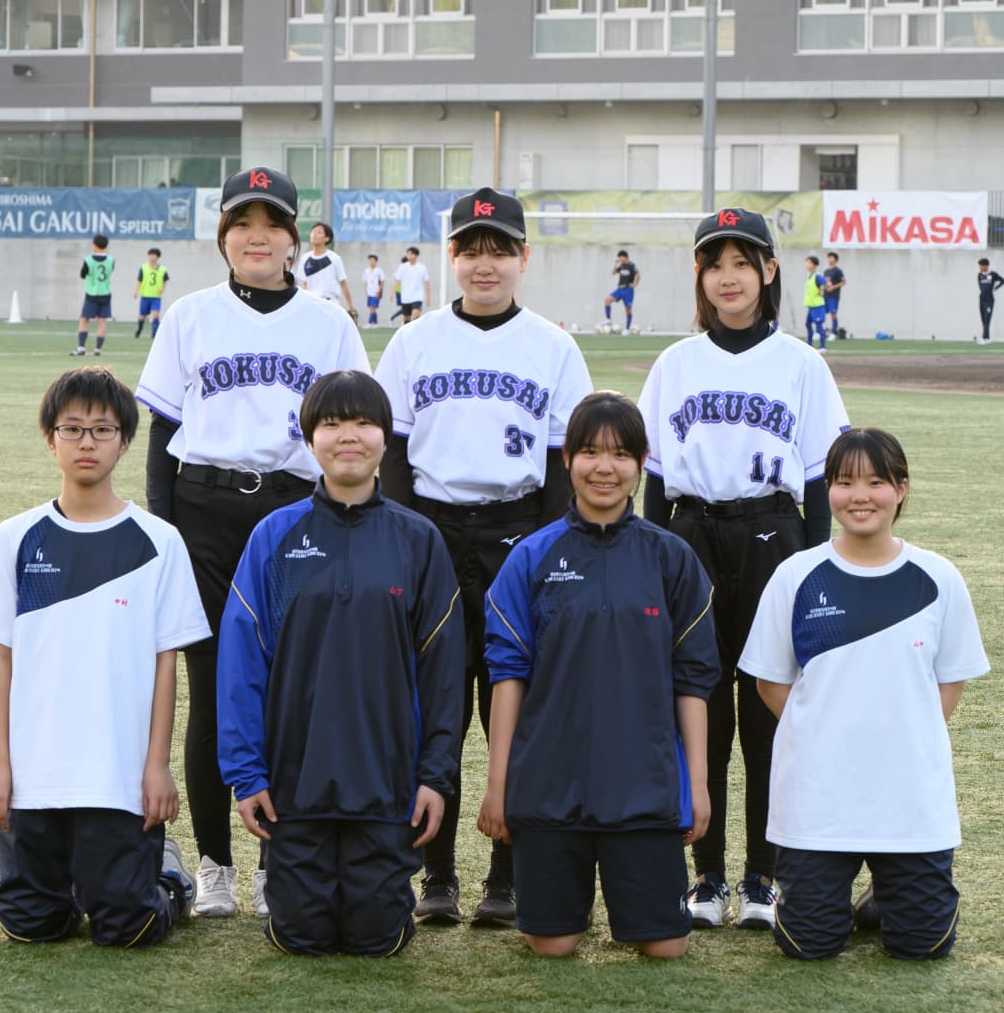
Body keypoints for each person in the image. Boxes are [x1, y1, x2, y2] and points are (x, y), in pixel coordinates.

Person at [136, 166, 371, 919]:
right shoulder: (190, 315)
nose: (257, 237)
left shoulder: (328, 323)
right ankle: (215, 864)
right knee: (212, 690)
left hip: (296, 513)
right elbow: (164, 434)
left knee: (292, 689)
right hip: (203, 510)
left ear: (295, 239)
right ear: (224, 237)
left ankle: (277, 862)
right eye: (242, 223)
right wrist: (168, 532)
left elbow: (356, 431)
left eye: (272, 224)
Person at [373, 188, 594, 927]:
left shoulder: (553, 347)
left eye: (500, 250)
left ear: (524, 258)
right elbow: (392, 450)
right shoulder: (414, 342)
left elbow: (564, 459)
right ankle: (435, 876)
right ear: (452, 257)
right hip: (432, 531)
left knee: (516, 707)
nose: (484, 263)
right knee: (433, 707)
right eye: (471, 249)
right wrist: (408, 536)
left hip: (517, 532)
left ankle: (507, 875)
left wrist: (545, 547)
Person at [637, 208, 851, 929]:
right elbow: (655, 479)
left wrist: (817, 567)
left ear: (768, 271)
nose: (728, 277)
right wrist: (653, 559)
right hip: (692, 533)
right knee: (698, 707)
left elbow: (818, 477)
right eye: (714, 264)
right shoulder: (676, 363)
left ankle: (763, 877)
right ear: (699, 276)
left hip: (772, 535)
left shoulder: (802, 363)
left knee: (767, 714)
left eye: (742, 262)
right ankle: (707, 878)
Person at [0, 367, 210, 947]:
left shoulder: (158, 542)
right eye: (72, 429)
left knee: (130, 927)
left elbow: (166, 666)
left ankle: (167, 875)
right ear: (51, 440)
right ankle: (75, 879)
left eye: (102, 429)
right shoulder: (15, 538)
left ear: (125, 441)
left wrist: (157, 766)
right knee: (30, 925)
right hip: (34, 776)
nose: (86, 442)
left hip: (116, 776)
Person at [216, 370, 463, 956]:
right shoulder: (274, 536)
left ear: (385, 437)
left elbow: (443, 672)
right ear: (309, 438)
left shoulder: (418, 539)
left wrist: (434, 776)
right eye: (331, 423)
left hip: (386, 784)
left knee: (378, 939)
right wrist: (248, 775)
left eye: (363, 422)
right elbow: (241, 664)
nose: (348, 436)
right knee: (300, 937)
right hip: (295, 784)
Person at [477, 392, 718, 958]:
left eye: (620, 454)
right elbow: (507, 677)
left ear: (642, 463)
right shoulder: (531, 557)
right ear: (566, 460)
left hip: (643, 786)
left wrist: (697, 786)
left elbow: (693, 681)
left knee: (666, 947)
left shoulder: (671, 557)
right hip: (550, 787)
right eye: (589, 452)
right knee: (552, 945)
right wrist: (498, 785)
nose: (604, 468)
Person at [738, 427, 989, 962]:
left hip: (908, 799)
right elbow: (770, 680)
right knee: (808, 946)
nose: (860, 496)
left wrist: (904, 734)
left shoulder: (937, 577)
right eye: (845, 481)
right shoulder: (796, 575)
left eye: (876, 482)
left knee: (924, 947)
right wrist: (821, 730)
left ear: (901, 489)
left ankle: (886, 892)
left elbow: (951, 681)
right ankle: (842, 889)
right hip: (818, 799)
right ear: (828, 488)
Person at [298, 222, 356, 320]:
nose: (314, 234)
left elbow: (343, 283)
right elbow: (304, 285)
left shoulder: (334, 258)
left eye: (319, 232)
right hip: (312, 305)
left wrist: (351, 307)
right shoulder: (305, 258)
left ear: (327, 238)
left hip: (331, 304)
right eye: (313, 231)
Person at [74, 234, 116, 357]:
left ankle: (81, 348)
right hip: (106, 294)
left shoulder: (88, 260)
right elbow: (110, 271)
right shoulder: (111, 260)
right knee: (102, 321)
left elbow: (82, 274)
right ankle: (97, 349)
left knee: (84, 320)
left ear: (94, 245)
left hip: (92, 294)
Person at [134, 248, 169, 340]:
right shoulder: (143, 267)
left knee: (155, 315)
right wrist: (136, 291)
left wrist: (162, 289)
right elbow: (139, 280)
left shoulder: (162, 269)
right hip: (145, 296)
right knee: (142, 316)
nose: (152, 257)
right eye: (150, 255)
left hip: (156, 297)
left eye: (154, 255)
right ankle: (139, 329)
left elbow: (166, 280)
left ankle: (155, 334)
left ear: (157, 257)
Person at [602, 250, 640, 334]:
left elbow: (638, 275)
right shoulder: (621, 266)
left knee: (628, 309)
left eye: (620, 257)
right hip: (620, 289)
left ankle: (627, 328)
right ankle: (608, 320)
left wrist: (635, 284)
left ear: (624, 257)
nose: (619, 259)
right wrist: (616, 264)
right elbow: (613, 273)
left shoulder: (632, 265)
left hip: (628, 290)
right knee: (607, 300)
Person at [393, 246, 430, 324]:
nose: (408, 255)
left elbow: (426, 283)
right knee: (406, 319)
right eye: (407, 254)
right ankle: (407, 330)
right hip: (405, 297)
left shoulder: (422, 268)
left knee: (416, 316)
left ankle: (415, 330)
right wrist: (392, 293)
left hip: (417, 297)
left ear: (415, 255)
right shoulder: (402, 267)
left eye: (410, 254)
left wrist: (428, 297)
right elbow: (397, 280)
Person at [975, 258, 1004, 344]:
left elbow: (1003, 281)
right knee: (983, 319)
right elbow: (980, 285)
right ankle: (987, 338)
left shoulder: (993, 274)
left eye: (981, 266)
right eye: (979, 266)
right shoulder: (979, 275)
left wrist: (996, 288)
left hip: (989, 300)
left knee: (987, 318)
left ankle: (984, 338)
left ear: (986, 266)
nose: (980, 267)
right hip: (982, 299)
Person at [802, 255, 828, 348]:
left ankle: (822, 346)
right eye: (806, 262)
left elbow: (826, 283)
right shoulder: (810, 276)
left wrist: (822, 290)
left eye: (809, 262)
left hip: (818, 306)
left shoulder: (817, 276)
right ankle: (809, 344)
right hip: (811, 306)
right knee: (808, 324)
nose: (806, 264)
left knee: (819, 326)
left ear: (814, 265)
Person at [821, 252, 846, 340]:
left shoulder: (838, 271)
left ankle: (833, 333)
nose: (830, 259)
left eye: (832, 258)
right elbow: (824, 283)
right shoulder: (826, 271)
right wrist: (823, 290)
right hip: (825, 296)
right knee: (821, 313)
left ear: (835, 259)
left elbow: (843, 282)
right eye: (829, 258)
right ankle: (820, 332)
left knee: (833, 314)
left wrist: (833, 287)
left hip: (833, 296)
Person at [361, 254, 384, 327]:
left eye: (373, 260)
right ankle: (376, 323)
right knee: (371, 308)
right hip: (369, 292)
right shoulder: (366, 271)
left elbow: (382, 281)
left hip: (376, 292)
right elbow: (366, 282)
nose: (371, 262)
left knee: (372, 308)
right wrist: (366, 291)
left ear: (376, 261)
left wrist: (379, 290)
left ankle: (369, 323)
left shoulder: (379, 270)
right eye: (370, 260)